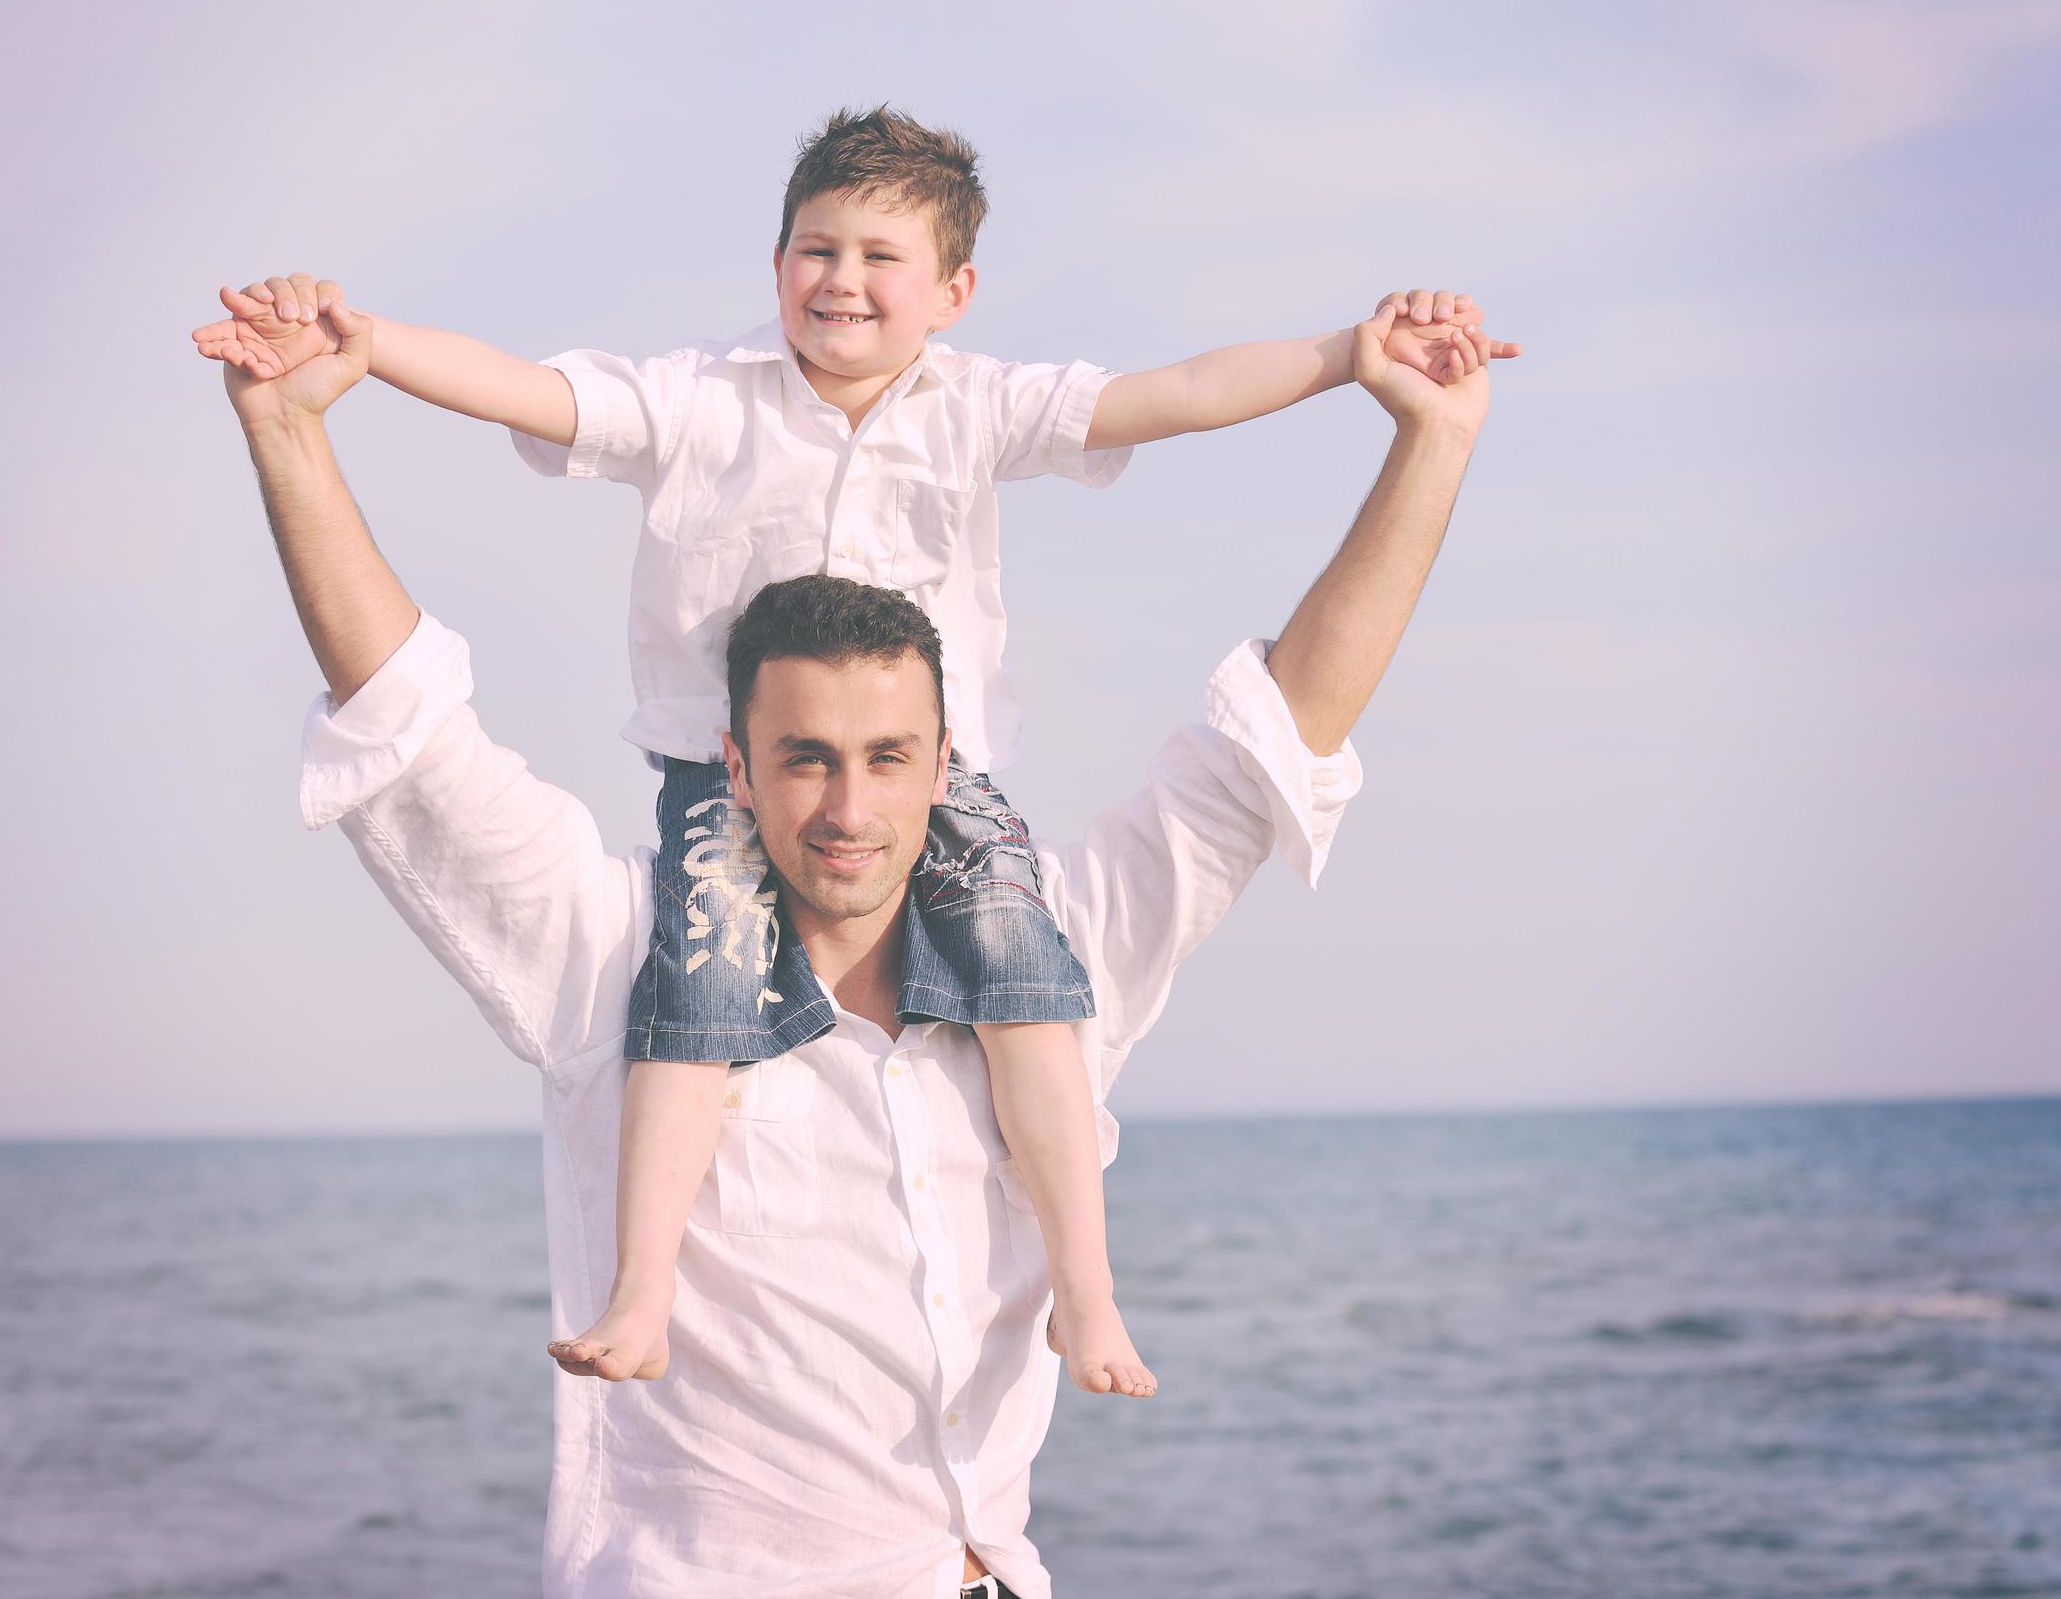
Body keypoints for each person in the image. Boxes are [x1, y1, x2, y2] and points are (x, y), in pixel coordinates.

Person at [209, 265, 1502, 1597]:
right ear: (736, 766)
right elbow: (413, 735)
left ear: (947, 765)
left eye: (888, 757)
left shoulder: (1051, 960)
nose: (847, 806)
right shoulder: (618, 962)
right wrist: (290, 432)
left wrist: (1432, 441)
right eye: (806, 758)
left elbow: (1275, 737)